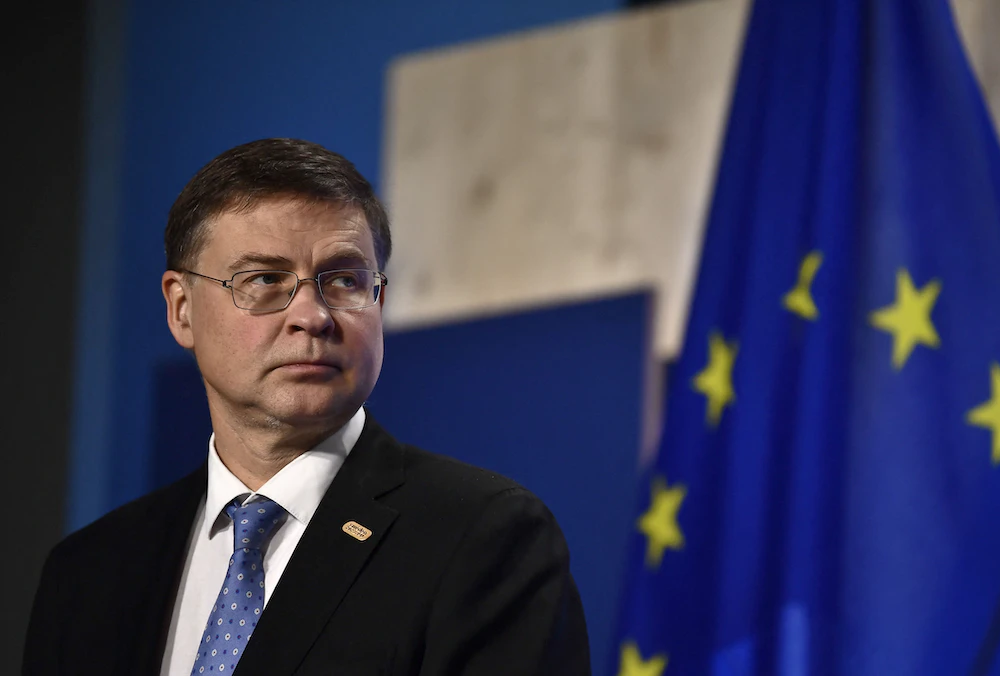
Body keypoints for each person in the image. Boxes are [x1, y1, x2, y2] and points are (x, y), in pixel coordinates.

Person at [23, 138, 591, 675]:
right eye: (265, 279)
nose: (313, 316)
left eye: (344, 280)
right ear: (181, 309)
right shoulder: (88, 572)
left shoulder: (484, 537)